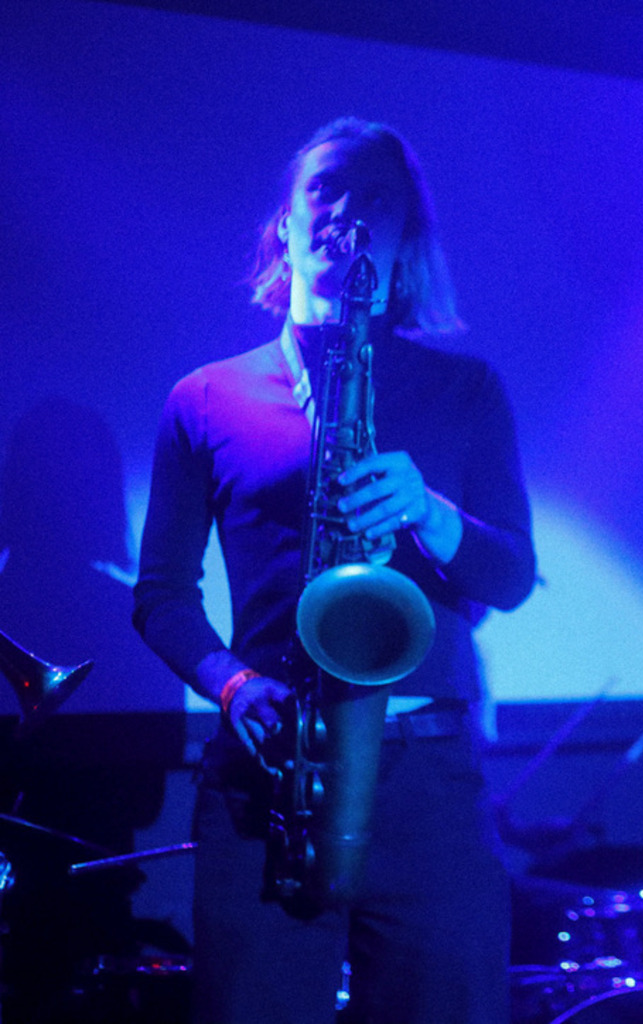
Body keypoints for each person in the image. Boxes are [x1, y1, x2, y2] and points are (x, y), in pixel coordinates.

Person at [133, 117, 536, 1024]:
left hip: (428, 785)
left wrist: (429, 513)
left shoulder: (465, 391)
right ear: (285, 220)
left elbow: (510, 577)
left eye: (375, 193)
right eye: (325, 187)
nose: (346, 208)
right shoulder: (204, 397)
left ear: (408, 234)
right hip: (266, 774)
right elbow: (161, 595)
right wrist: (232, 684)